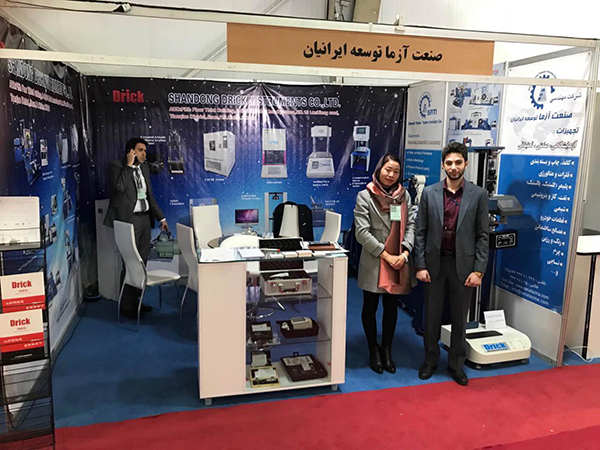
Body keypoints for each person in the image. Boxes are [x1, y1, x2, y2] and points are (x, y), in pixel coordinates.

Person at [414, 142, 489, 386]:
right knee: (431, 317)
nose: (453, 167)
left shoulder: (478, 195)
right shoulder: (430, 193)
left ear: (466, 164)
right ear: (443, 165)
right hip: (434, 265)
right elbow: (420, 231)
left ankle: (456, 364)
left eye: (458, 162)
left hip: (463, 267)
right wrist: (420, 265)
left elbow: (483, 235)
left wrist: (479, 270)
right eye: (449, 163)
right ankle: (430, 361)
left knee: (459, 319)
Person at [354, 154, 416, 374]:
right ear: (379, 169)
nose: (391, 175)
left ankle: (387, 349)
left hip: (398, 261)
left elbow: (411, 225)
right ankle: (373, 348)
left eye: (396, 171)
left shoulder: (404, 196)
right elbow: (362, 232)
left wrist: (405, 253)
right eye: (387, 169)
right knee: (370, 306)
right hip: (375, 260)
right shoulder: (365, 196)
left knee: (391, 307)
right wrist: (386, 255)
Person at [104, 137, 169, 319]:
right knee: (130, 262)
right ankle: (125, 306)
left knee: (142, 262)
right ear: (131, 151)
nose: (144, 154)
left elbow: (149, 196)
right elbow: (119, 186)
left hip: (145, 219)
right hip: (128, 220)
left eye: (145, 151)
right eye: (140, 150)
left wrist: (161, 217)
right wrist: (129, 166)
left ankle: (136, 302)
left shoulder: (145, 168)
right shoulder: (116, 166)